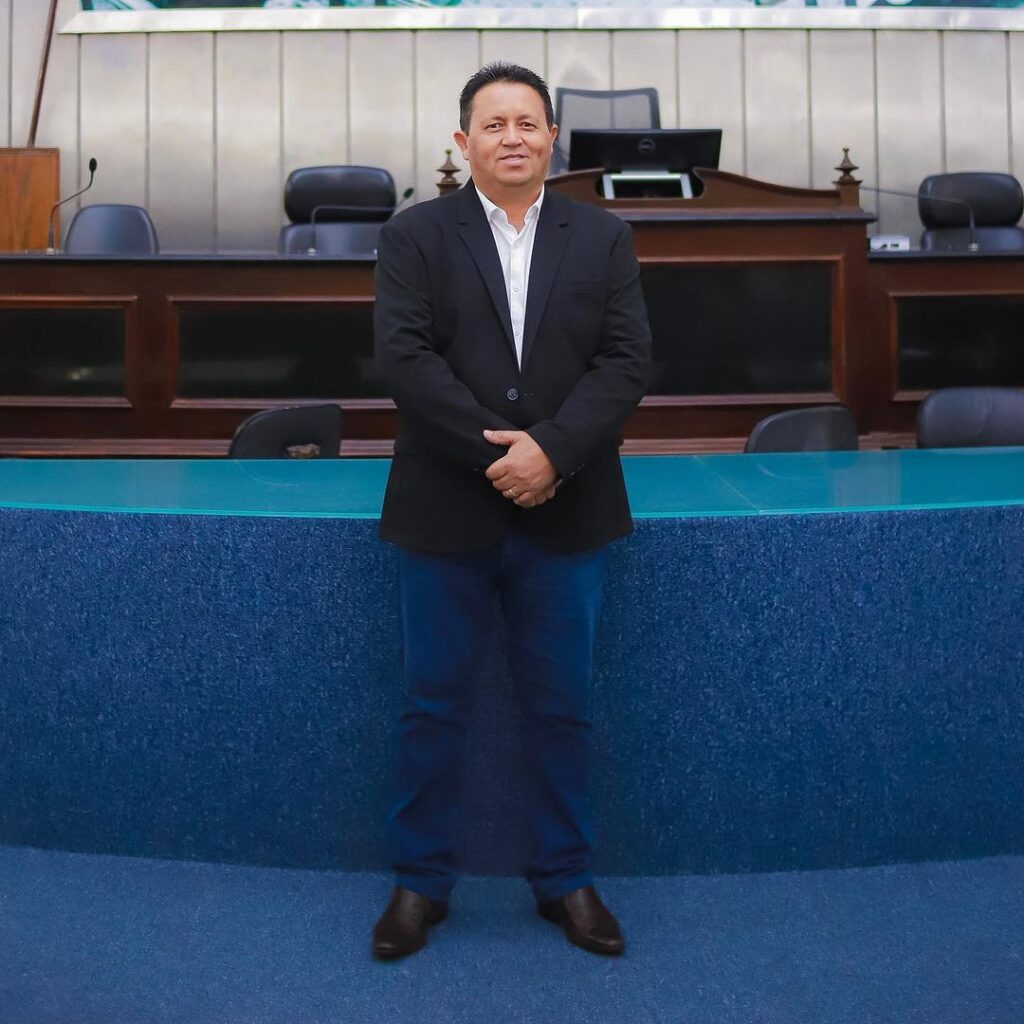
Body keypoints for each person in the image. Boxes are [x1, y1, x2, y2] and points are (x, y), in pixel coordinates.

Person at [371, 62, 651, 960]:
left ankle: (566, 879)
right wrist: (506, 457)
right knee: (431, 706)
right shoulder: (414, 235)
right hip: (446, 508)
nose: (513, 137)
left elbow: (627, 361)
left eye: (528, 122)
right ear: (464, 142)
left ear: (553, 138)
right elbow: (405, 360)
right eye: (493, 124)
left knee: (563, 708)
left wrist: (553, 452)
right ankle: (420, 883)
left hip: (568, 510)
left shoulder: (603, 236)